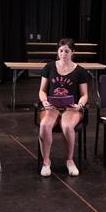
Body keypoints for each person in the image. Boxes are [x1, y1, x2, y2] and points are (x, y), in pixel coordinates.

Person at [38, 38, 90, 177]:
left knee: (67, 126)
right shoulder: (49, 67)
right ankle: (46, 162)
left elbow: (85, 95)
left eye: (66, 51)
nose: (63, 54)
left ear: (73, 52)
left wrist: (79, 105)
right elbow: (42, 90)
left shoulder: (80, 71)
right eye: (61, 51)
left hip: (70, 107)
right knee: (44, 125)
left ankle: (70, 160)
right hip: (52, 106)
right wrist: (44, 101)